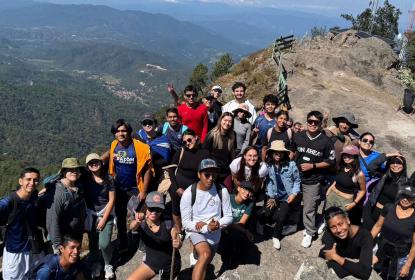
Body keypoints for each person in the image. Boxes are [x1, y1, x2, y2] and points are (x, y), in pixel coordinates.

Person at [180, 159, 233, 280]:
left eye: (214, 174)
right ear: (199, 174)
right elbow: (186, 222)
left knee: (205, 262)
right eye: (207, 174)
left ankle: (195, 257)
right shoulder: (189, 193)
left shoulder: (222, 190)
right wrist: (206, 227)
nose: (211, 178)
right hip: (197, 231)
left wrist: (217, 224)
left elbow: (229, 216)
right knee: (205, 254)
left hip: (215, 234)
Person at [105, 119, 152, 252]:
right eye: (118, 131)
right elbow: (111, 160)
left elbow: (148, 169)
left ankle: (142, 241)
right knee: (120, 216)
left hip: (135, 188)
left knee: (139, 215)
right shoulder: (114, 145)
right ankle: (123, 242)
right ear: (115, 133)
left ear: (129, 132)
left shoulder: (140, 147)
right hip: (119, 188)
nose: (121, 133)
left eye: (123, 130)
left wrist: (144, 190)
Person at [293, 111, 335, 248]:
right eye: (310, 121)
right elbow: (292, 151)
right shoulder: (298, 136)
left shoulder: (326, 141)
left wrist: (314, 165)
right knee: (293, 202)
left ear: (321, 124)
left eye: (316, 122)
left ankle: (309, 232)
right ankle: (293, 223)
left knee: (309, 207)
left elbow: (330, 161)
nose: (312, 124)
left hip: (313, 179)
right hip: (295, 177)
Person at [127, 192, 182, 280]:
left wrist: (178, 243)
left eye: (158, 209)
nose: (154, 212)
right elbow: (132, 227)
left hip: (169, 265)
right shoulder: (142, 222)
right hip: (151, 262)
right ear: (145, 207)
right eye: (151, 208)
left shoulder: (168, 222)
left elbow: (176, 238)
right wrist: (137, 221)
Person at [0, 168, 41, 280]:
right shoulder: (8, 202)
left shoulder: (33, 197)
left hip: (32, 250)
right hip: (15, 253)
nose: (32, 183)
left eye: (36, 180)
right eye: (28, 179)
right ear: (20, 181)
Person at [261, 140, 301, 250]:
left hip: (287, 196)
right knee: (267, 213)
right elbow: (269, 182)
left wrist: (293, 194)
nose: (278, 155)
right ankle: (260, 222)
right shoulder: (269, 165)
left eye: (280, 152)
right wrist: (271, 196)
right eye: (275, 152)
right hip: (274, 194)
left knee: (281, 217)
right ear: (271, 153)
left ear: (284, 153)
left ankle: (276, 236)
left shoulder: (291, 165)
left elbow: (297, 181)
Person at [371, 184, 415, 280]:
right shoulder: (388, 207)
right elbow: (378, 226)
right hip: (382, 248)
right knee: (373, 272)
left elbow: (414, 245)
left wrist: (407, 265)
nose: (405, 200)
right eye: (403, 195)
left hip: (401, 255)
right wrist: (366, 243)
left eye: (410, 198)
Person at [169, 129, 210, 230]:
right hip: (177, 187)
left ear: (196, 137)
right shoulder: (181, 151)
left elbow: (207, 172)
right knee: (176, 210)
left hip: (194, 189)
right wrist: (176, 188)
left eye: (189, 140)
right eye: (184, 142)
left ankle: (193, 231)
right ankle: (179, 231)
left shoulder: (204, 153)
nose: (187, 143)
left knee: (193, 212)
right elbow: (171, 169)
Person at [83, 153, 115, 279]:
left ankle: (108, 264)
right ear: (87, 166)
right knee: (93, 242)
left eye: (96, 161)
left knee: (104, 243)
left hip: (106, 212)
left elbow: (112, 200)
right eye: (91, 163)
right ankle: (96, 263)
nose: (94, 164)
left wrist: (104, 219)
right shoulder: (85, 179)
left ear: (101, 163)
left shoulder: (109, 179)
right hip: (91, 214)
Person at [319, 207, 373, 280]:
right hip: (348, 260)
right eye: (333, 227)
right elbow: (338, 270)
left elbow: (364, 272)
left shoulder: (365, 236)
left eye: (340, 224)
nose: (338, 230)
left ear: (348, 220)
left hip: (352, 257)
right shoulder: (329, 232)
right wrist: (355, 268)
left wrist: (335, 257)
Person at [47, 158, 86, 254]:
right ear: (64, 172)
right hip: (63, 239)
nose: (74, 172)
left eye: (76, 169)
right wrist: (57, 245)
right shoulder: (58, 193)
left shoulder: (78, 186)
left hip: (75, 235)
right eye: (70, 170)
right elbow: (53, 220)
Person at [363, 155, 409, 230]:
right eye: (392, 162)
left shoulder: (406, 183)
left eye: (399, 162)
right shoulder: (384, 174)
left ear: (403, 165)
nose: (395, 165)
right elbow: (370, 167)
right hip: (371, 209)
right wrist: (388, 155)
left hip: (385, 216)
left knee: (375, 238)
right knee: (364, 233)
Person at [324, 145, 366, 221]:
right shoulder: (341, 167)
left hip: (344, 201)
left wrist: (354, 203)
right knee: (327, 215)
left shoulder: (359, 174)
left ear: (355, 157)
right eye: (345, 154)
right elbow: (336, 181)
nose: (346, 157)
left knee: (340, 220)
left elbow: (362, 191)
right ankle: (325, 226)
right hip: (332, 195)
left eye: (350, 155)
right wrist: (329, 190)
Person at [219, 181, 255, 267]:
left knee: (238, 236)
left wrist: (230, 226)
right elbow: (220, 218)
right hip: (222, 226)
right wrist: (246, 231)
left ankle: (235, 257)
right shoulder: (228, 198)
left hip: (236, 227)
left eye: (250, 192)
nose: (247, 193)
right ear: (238, 188)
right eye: (245, 189)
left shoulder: (249, 204)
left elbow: (242, 223)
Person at [135, 113, 171, 188]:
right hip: (138, 174)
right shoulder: (138, 135)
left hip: (156, 174)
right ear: (142, 125)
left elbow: (165, 159)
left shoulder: (163, 140)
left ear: (155, 124)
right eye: (145, 123)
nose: (147, 125)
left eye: (150, 123)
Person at [203, 112, 236, 182]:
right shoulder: (212, 135)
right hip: (213, 171)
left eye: (230, 121)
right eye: (225, 120)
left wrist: (233, 170)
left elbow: (232, 154)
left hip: (226, 172)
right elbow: (204, 153)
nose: (227, 123)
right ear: (220, 120)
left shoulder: (232, 135)